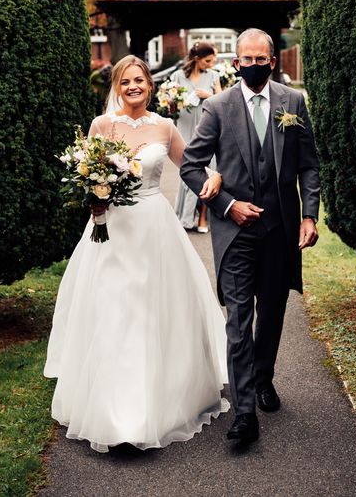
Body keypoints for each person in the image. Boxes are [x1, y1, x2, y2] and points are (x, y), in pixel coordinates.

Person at [44, 55, 229, 453]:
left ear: (150, 85)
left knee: (152, 311)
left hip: (154, 231)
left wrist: (214, 175)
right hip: (110, 230)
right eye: (125, 81)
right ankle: (113, 410)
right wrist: (93, 199)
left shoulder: (163, 126)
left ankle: (154, 404)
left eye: (139, 81)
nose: (133, 87)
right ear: (116, 85)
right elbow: (86, 174)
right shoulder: (102, 125)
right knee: (113, 310)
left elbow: (190, 164)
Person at [180, 28, 320, 444]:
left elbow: (308, 165)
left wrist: (309, 216)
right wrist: (226, 204)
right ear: (236, 62)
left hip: (279, 230)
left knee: (272, 315)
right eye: (247, 59)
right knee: (239, 323)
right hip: (235, 231)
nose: (255, 65)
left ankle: (263, 379)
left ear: (272, 62)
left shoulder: (292, 102)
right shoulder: (219, 108)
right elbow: (191, 166)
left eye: (262, 59)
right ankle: (244, 414)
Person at [170, 41, 222, 232]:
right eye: (208, 60)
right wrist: (173, 100)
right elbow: (170, 106)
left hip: (207, 128)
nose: (211, 63)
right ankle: (185, 216)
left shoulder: (213, 75)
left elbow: (222, 100)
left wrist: (208, 95)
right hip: (184, 127)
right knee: (186, 171)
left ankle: (202, 218)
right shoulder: (177, 76)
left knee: (208, 172)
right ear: (197, 59)